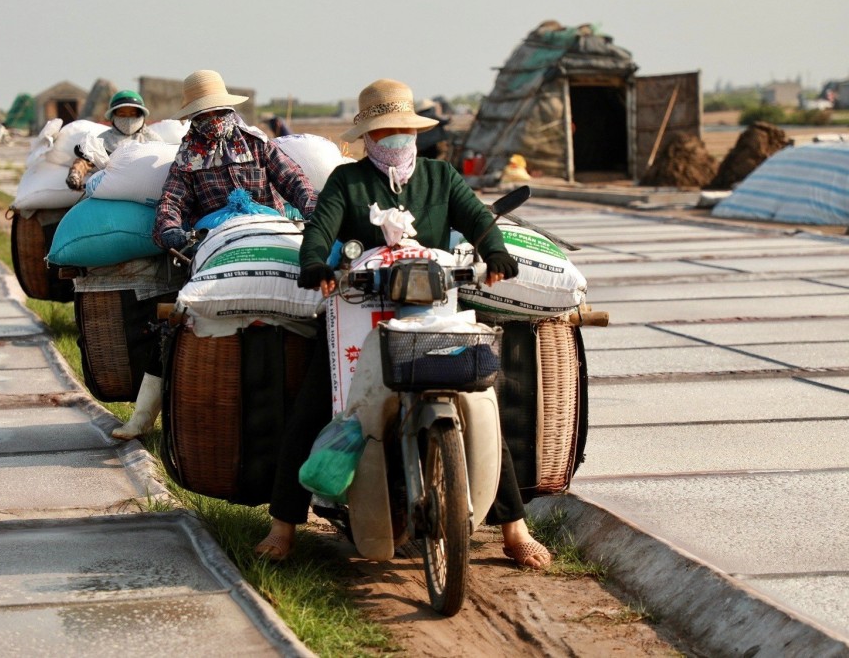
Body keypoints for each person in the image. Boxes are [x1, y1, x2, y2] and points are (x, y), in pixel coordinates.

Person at [254, 78, 552, 571]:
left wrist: (494, 250)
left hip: (432, 312)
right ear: (368, 137)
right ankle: (282, 526)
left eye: (401, 129)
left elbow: (477, 217)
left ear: (415, 132)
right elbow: (320, 230)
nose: (394, 139)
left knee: (480, 403)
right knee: (312, 409)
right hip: (360, 311)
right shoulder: (348, 183)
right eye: (383, 131)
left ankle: (514, 530)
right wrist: (315, 266)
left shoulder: (441, 176)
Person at [109, 69, 317, 441]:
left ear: (228, 111)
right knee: (174, 320)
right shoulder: (187, 160)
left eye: (217, 113)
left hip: (270, 230)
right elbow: (169, 203)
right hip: (216, 241)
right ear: (193, 119)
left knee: (321, 311)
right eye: (203, 116)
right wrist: (173, 231)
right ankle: (142, 418)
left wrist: (316, 212)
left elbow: (295, 182)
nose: (212, 121)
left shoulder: (257, 144)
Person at [66, 90, 162, 189]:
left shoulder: (152, 140)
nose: (128, 119)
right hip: (111, 189)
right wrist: (75, 174)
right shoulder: (103, 140)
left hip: (143, 188)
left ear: (142, 116)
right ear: (112, 117)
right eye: (122, 115)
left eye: (133, 114)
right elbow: (86, 161)